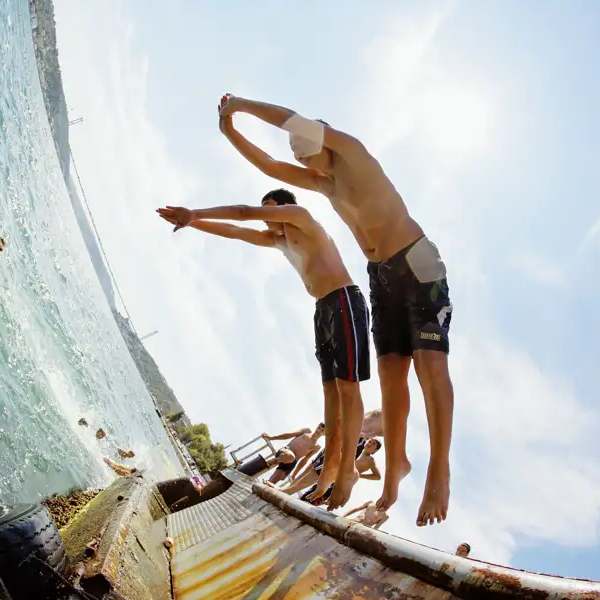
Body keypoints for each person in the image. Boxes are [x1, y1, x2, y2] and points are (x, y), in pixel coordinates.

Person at [217, 93, 454, 527]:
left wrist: (242, 107)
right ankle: (395, 465)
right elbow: (269, 168)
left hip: (417, 263)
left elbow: (291, 120)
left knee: (429, 366)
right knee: (390, 376)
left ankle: (439, 467)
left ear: (322, 138)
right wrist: (230, 132)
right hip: (380, 276)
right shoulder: (323, 182)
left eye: (305, 149)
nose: (303, 162)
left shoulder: (352, 151)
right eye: (300, 157)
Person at [158, 187, 370, 510]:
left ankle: (347, 467)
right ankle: (329, 465)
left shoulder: (301, 218)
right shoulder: (279, 240)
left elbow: (243, 213)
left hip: (344, 300)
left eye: (268, 208)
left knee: (347, 390)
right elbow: (235, 231)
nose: (265, 216)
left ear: (283, 206)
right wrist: (193, 224)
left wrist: (195, 212)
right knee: (330, 393)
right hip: (323, 309)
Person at [282, 438, 381, 502]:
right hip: (331, 478)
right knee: (306, 496)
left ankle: (285, 493)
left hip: (337, 485)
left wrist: (359, 475)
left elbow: (378, 476)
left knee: (312, 500)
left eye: (373, 444)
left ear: (375, 450)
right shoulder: (357, 454)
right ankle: (285, 493)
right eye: (370, 441)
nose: (370, 443)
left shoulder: (370, 460)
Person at [260, 423, 325, 485]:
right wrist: (271, 438)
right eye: (319, 428)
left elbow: (304, 460)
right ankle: (271, 462)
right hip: (285, 451)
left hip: (292, 462)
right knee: (290, 456)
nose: (319, 431)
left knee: (271, 482)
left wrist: (294, 474)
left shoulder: (317, 447)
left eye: (322, 430)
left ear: (324, 434)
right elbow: (288, 435)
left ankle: (265, 481)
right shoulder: (307, 431)